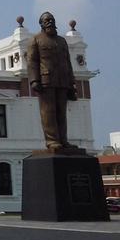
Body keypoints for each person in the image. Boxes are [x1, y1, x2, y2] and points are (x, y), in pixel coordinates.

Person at [26, 12, 78, 151]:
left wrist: (72, 83)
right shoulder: (35, 40)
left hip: (62, 81)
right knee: (48, 112)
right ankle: (52, 141)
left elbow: (68, 62)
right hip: (46, 81)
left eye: (52, 20)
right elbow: (32, 62)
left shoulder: (61, 41)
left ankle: (63, 140)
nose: (50, 22)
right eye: (46, 20)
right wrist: (34, 80)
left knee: (61, 112)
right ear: (41, 24)